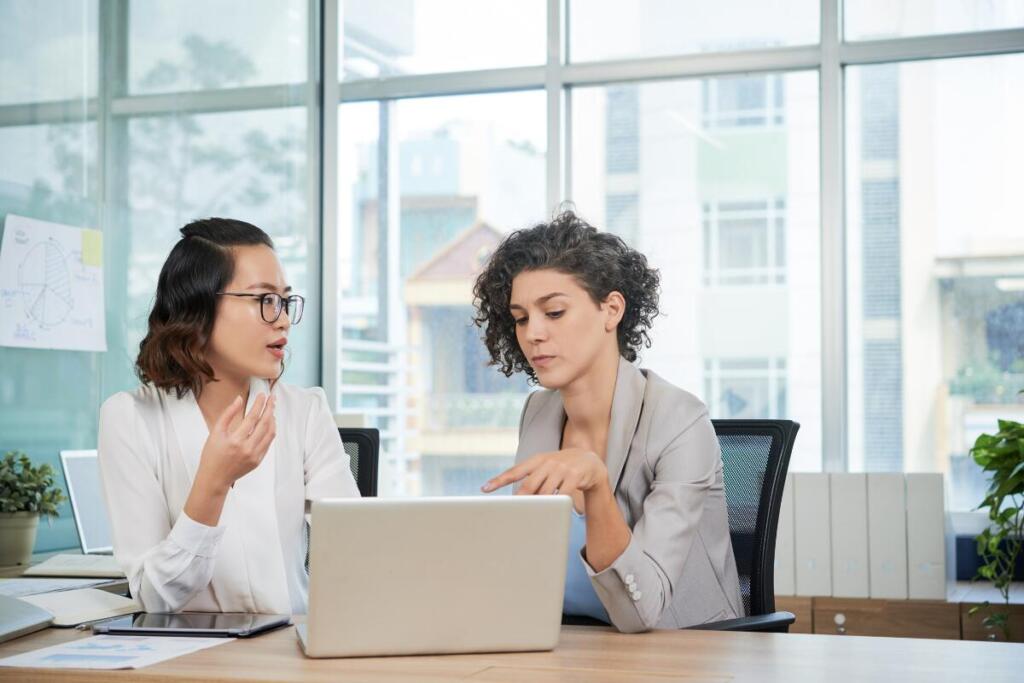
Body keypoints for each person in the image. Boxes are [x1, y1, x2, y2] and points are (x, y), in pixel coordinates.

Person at [474, 211, 742, 633]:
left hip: (679, 651)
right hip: (569, 643)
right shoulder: (538, 412)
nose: (533, 334)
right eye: (522, 318)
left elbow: (641, 611)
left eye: (555, 312)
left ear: (611, 309)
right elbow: (529, 560)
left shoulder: (679, 421)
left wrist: (596, 487)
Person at [98, 218, 358, 615]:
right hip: (188, 663)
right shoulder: (130, 418)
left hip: (290, 651)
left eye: (285, 301)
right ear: (198, 307)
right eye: (264, 301)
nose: (284, 319)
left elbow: (357, 553)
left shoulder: (304, 411)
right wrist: (214, 482)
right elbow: (155, 599)